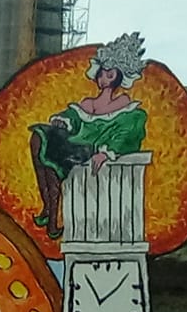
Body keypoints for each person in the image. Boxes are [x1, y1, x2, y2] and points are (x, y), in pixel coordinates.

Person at [27, 32, 150, 240]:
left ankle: (52, 217)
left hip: (88, 149)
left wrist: (106, 153)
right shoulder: (87, 103)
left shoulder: (127, 108)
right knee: (39, 136)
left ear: (119, 77)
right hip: (72, 142)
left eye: (110, 74)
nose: (104, 78)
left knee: (53, 158)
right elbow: (72, 117)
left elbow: (127, 134)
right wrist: (62, 121)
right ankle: (49, 207)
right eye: (102, 73)